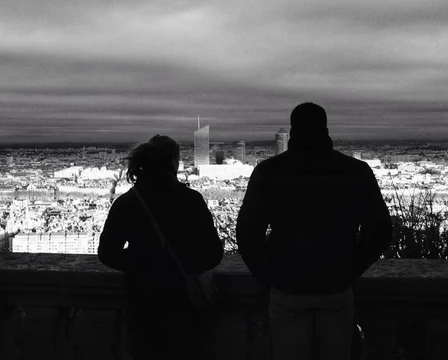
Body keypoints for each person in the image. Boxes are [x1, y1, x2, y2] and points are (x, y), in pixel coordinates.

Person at [236, 103, 393, 360]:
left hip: (287, 287)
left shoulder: (269, 172)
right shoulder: (355, 171)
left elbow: (247, 232)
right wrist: (351, 267)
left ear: (292, 132)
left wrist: (269, 275)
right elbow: (381, 229)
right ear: (326, 129)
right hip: (336, 287)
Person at [98, 135, 224, 360]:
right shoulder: (191, 200)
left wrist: (142, 263)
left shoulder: (127, 202)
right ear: (174, 163)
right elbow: (213, 254)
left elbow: (107, 253)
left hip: (142, 301)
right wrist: (184, 263)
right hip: (183, 302)